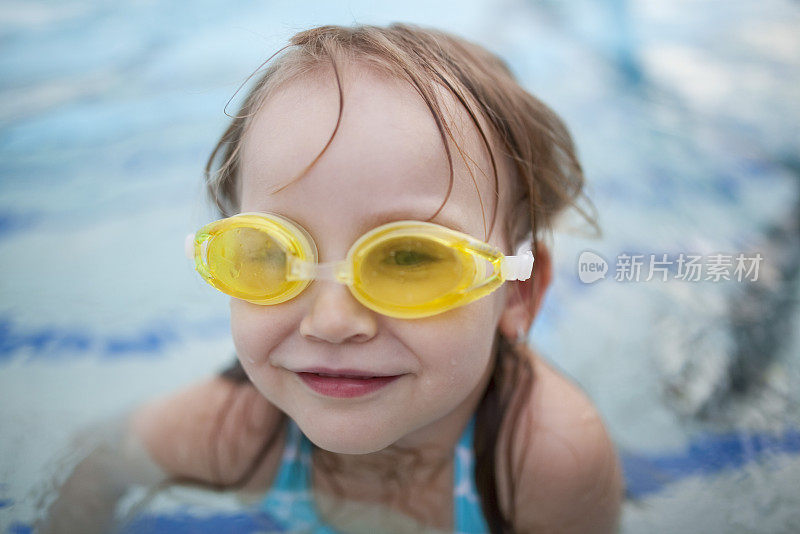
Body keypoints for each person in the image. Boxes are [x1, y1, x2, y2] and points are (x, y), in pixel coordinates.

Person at [39, 23, 624, 533]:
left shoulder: (544, 459)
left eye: (409, 258)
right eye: (271, 253)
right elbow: (97, 464)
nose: (333, 322)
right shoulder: (229, 431)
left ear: (517, 291)